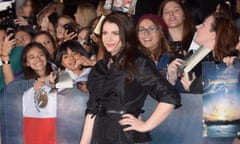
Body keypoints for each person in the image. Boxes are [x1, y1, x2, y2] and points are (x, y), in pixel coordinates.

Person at [80, 12, 181, 144]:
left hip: (125, 137)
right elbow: (92, 110)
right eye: (105, 33)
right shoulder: (100, 67)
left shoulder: (138, 62)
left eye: (115, 33)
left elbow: (170, 96)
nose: (108, 39)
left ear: (126, 34)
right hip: (100, 135)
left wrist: (146, 126)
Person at [167, 12, 239, 93]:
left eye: (203, 25)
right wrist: (171, 78)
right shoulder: (193, 56)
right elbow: (173, 92)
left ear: (214, 34)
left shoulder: (226, 64)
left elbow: (221, 100)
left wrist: (193, 89)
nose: (197, 27)